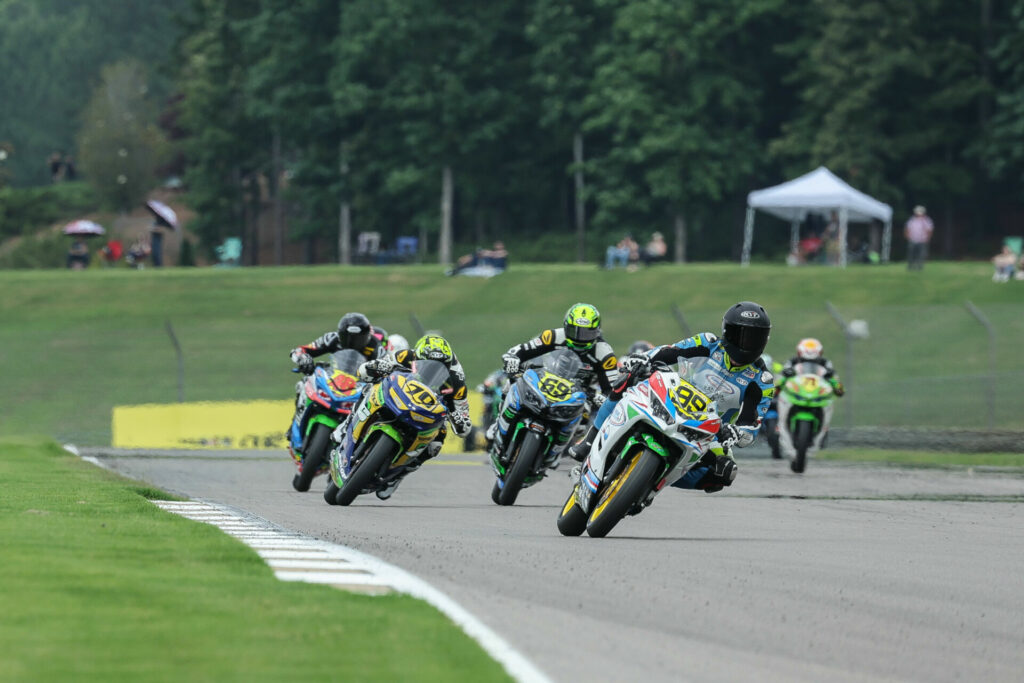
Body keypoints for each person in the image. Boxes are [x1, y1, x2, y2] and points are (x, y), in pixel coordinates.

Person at [568, 302, 775, 495]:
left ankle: (650, 483)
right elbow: (669, 352)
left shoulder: (761, 380)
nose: (747, 343)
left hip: (707, 429)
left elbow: (750, 426)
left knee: (725, 472)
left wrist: (736, 433)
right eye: (742, 336)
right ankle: (590, 439)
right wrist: (644, 359)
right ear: (727, 332)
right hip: (669, 398)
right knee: (629, 376)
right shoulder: (708, 343)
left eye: (755, 338)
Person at [490, 303, 621, 465]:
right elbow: (522, 349)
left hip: (579, 392)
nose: (580, 337)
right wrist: (512, 359)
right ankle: (498, 424)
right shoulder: (553, 336)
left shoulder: (605, 354)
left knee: (584, 419)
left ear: (598, 331)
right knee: (512, 385)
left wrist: (602, 398)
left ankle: (554, 453)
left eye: (587, 333)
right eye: (575, 331)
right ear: (566, 326)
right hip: (544, 378)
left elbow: (613, 389)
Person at [355, 334, 473, 499]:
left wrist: (460, 419)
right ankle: (347, 424)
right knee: (367, 388)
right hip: (400, 392)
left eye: (439, 366)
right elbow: (367, 368)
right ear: (416, 356)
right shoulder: (405, 355)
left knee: (436, 444)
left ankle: (398, 475)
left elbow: (464, 422)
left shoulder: (457, 379)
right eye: (427, 363)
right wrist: (377, 367)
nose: (432, 368)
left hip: (429, 407)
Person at [778, 338, 845, 458]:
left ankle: (823, 431)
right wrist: (780, 382)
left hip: (817, 394)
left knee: (829, 404)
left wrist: (836, 385)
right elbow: (782, 376)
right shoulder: (792, 362)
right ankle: (782, 428)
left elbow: (835, 379)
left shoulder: (826, 363)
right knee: (781, 400)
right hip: (796, 392)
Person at [289, 312, 384, 373]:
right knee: (306, 382)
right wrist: (304, 360)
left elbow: (385, 368)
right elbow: (299, 350)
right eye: (347, 337)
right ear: (340, 334)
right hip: (333, 381)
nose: (352, 342)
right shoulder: (331, 338)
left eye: (358, 339)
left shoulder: (375, 346)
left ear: (367, 336)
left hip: (360, 386)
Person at [904, 205, 934, 271]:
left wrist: (927, 238)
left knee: (921, 254)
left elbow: (929, 230)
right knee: (911, 254)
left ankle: (919, 266)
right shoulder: (912, 220)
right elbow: (907, 229)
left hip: (922, 240)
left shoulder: (926, 220)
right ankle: (910, 266)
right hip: (912, 239)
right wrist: (908, 236)